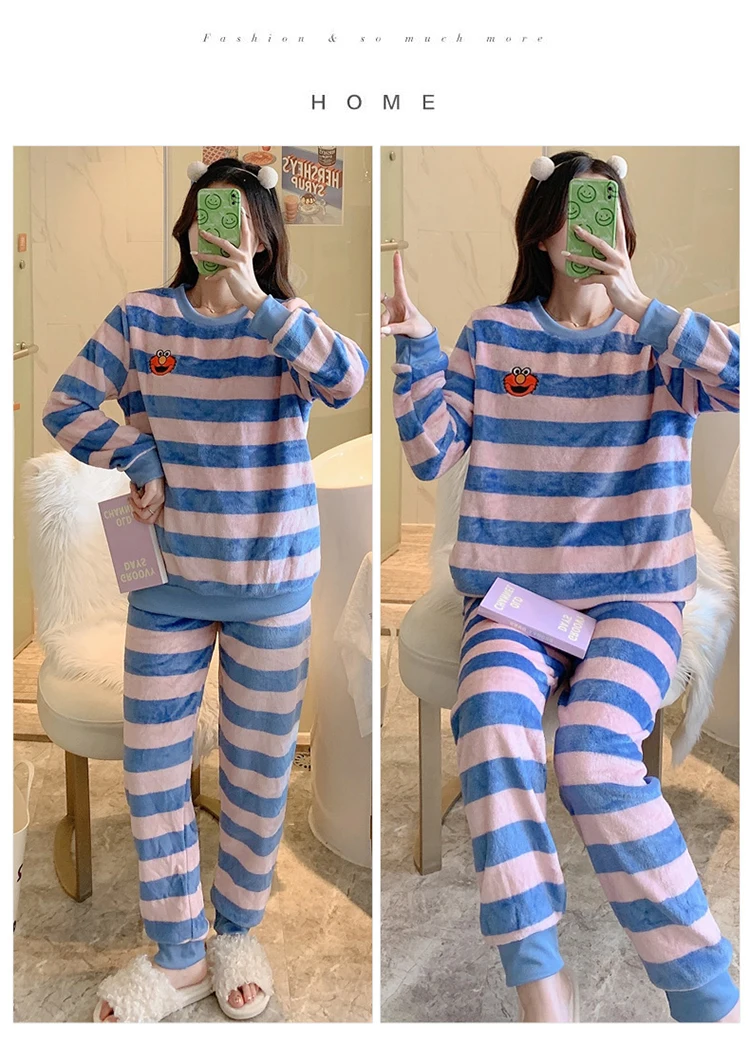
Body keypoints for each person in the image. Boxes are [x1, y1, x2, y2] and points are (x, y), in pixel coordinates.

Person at [382, 150, 739, 1023]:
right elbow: (430, 452)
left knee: (592, 752)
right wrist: (416, 348)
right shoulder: (492, 336)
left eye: (604, 212)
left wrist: (643, 307)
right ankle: (544, 991)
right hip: (515, 600)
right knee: (493, 722)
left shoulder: (657, 342)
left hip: (635, 596)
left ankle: (708, 996)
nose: (590, 230)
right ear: (541, 233)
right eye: (573, 214)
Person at [42, 157, 368, 1022]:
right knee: (154, 769)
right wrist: (137, 454)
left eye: (239, 218)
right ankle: (179, 951)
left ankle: (237, 932)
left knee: (258, 771)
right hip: (165, 581)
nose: (217, 230)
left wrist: (260, 299)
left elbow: (349, 381)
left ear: (264, 234)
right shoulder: (140, 316)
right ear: (186, 224)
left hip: (272, 579)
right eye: (205, 213)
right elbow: (66, 403)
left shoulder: (285, 323)